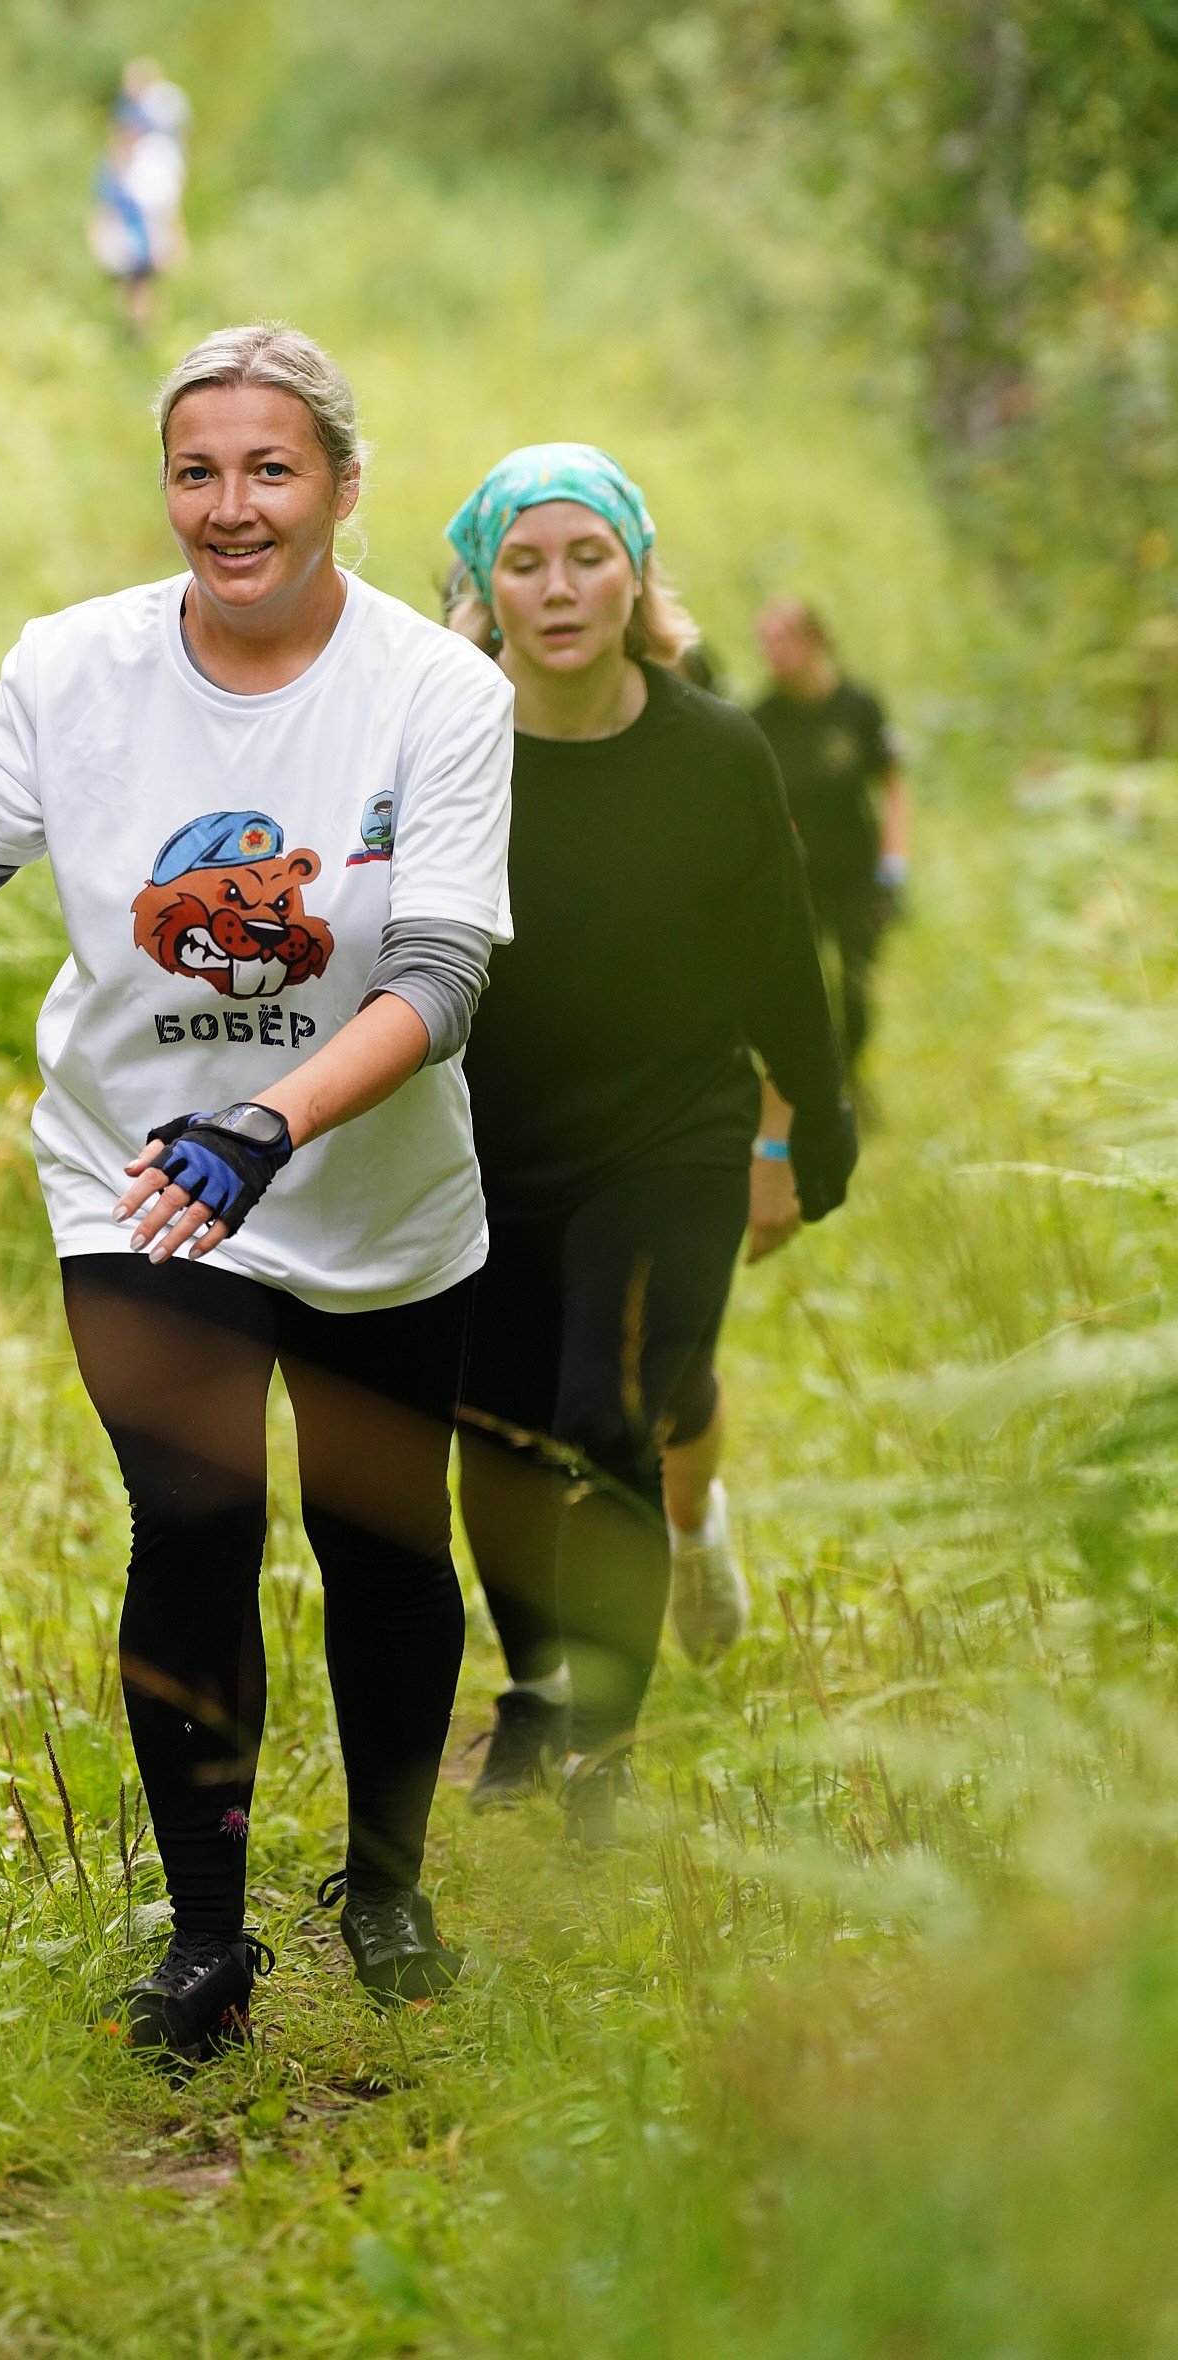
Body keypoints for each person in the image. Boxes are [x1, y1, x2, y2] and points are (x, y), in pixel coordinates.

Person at [0, 323, 514, 2056]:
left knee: (382, 1542)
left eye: (272, 469)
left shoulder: (439, 690)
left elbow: (436, 984)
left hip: (373, 1199)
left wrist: (269, 1122)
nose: (231, 505)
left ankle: (387, 1879)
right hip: (139, 1183)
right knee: (193, 1523)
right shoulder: (77, 668)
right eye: (198, 470)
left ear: (344, 488)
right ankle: (208, 1943)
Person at [442, 446, 857, 1846]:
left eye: (589, 557)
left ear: (636, 572)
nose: (559, 590)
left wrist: (809, 1123)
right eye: (526, 563)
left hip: (672, 1131)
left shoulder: (715, 752)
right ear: (488, 589)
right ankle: (540, 1687)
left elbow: (780, 962)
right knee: (499, 1429)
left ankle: (604, 1757)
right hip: (490, 1138)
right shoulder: (447, 749)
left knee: (610, 1407)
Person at [750, 598, 910, 1075]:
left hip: (858, 871)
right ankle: (819, 1083)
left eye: (783, 639)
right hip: (797, 878)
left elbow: (894, 787)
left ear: (816, 640)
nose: (773, 652)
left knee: (858, 986)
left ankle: (854, 1076)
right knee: (806, 988)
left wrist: (894, 865)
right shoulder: (760, 718)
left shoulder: (859, 707)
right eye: (765, 642)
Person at [86, 58, 190, 333]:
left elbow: (163, 194)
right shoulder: (136, 124)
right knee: (135, 281)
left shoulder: (153, 124)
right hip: (131, 218)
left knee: (141, 281)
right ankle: (139, 334)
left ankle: (144, 333)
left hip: (142, 217)